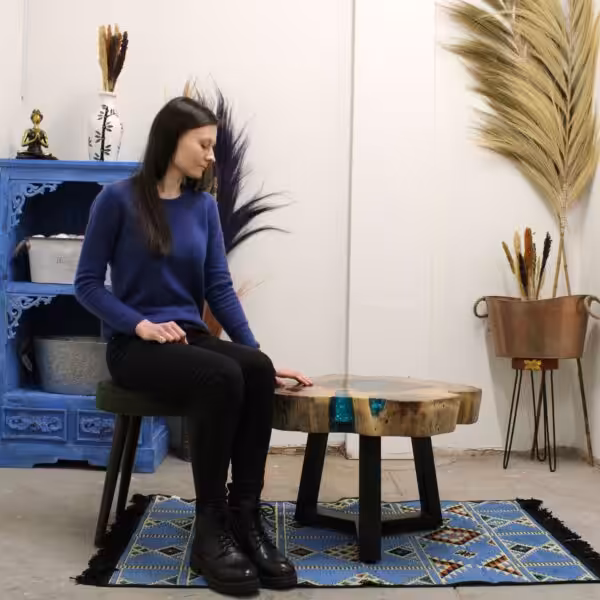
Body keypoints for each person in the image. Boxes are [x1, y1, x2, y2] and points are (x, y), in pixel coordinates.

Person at [74, 96, 312, 596]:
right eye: (203, 144)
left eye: (213, 145)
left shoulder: (203, 208)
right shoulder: (115, 200)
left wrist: (257, 354)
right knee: (220, 376)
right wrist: (140, 324)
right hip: (134, 347)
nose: (211, 155)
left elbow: (218, 287)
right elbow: (88, 285)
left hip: (189, 339)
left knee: (253, 368)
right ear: (172, 139)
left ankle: (245, 518)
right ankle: (209, 528)